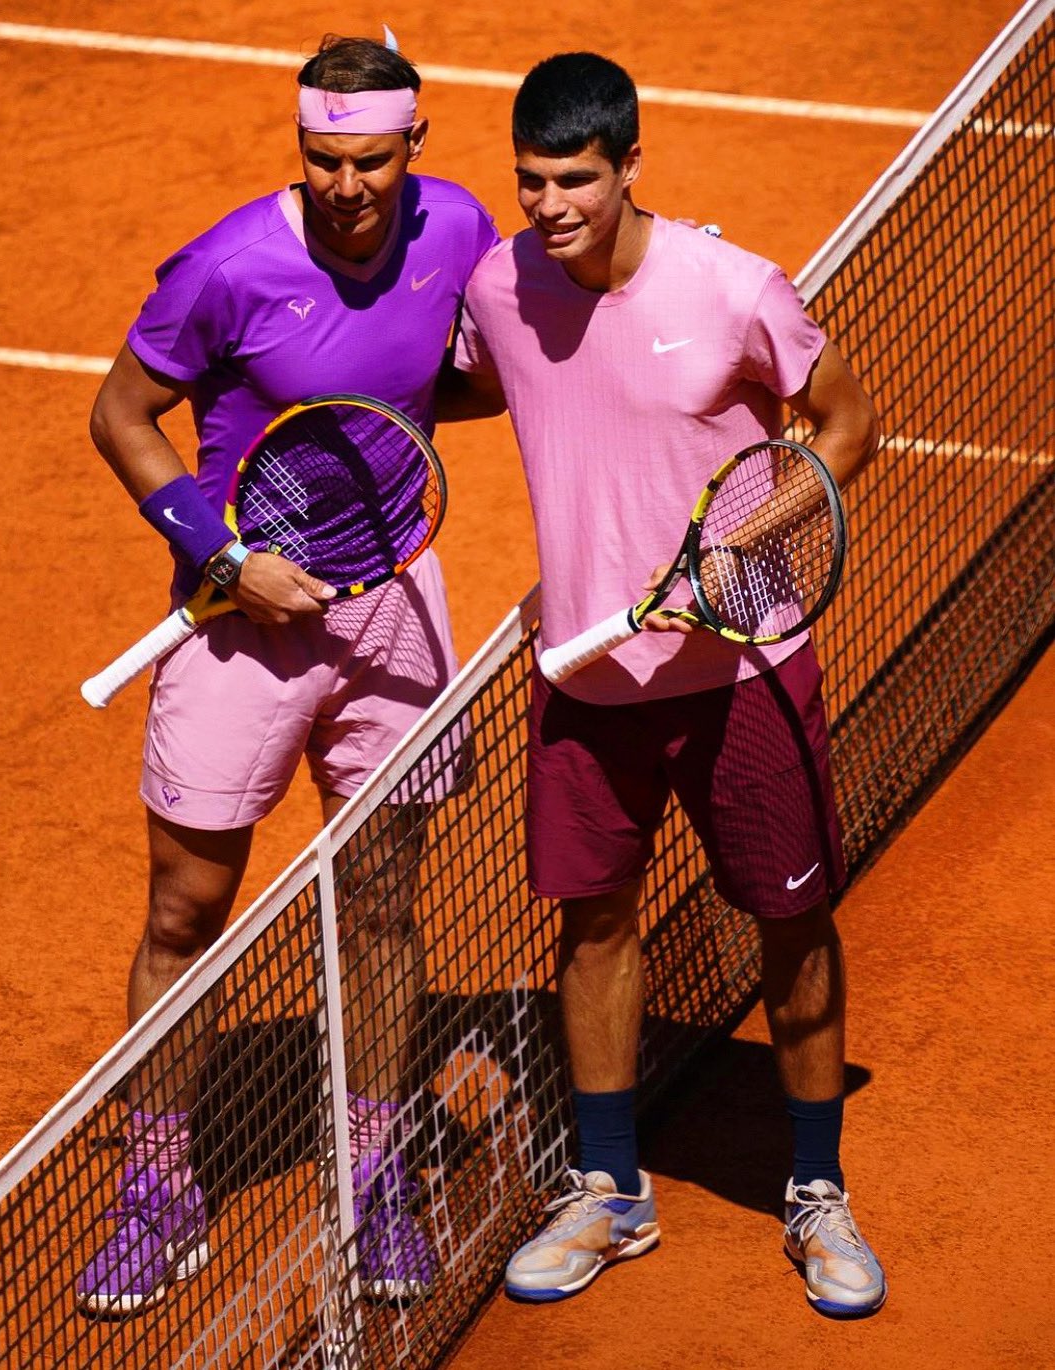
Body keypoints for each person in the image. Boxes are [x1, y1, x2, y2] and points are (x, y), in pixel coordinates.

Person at [440, 51, 886, 1318]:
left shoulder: (733, 286)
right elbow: (476, 381)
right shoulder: (500, 283)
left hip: (741, 669)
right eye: (529, 182)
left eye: (574, 180)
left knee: (790, 923)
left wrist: (746, 534)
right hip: (587, 673)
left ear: (633, 164)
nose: (549, 207)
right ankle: (609, 1184)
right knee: (594, 922)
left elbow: (846, 427)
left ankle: (813, 1188)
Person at [76, 34, 498, 1316]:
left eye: (372, 159)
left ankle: (374, 1175)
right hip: (238, 618)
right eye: (324, 158)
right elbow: (118, 414)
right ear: (298, 143)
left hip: (390, 610)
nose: (348, 184)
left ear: (413, 148)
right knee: (182, 908)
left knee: (379, 905)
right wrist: (223, 551)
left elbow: (460, 371)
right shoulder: (228, 267)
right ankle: (157, 1187)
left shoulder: (463, 227)